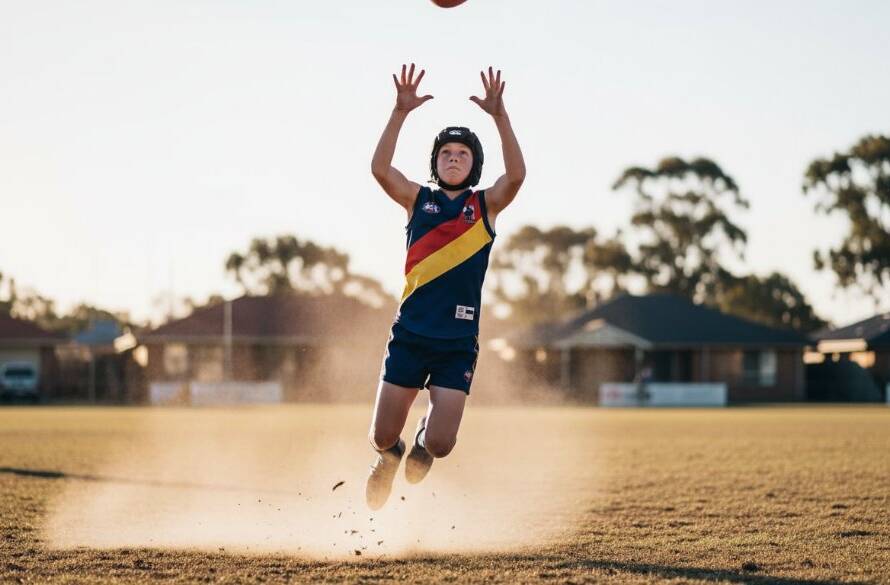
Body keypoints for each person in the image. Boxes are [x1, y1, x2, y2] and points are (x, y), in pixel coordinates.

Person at [365, 63, 526, 510]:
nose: (454, 158)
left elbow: (516, 176)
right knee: (379, 435)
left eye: (463, 154)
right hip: (410, 335)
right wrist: (399, 112)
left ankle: (420, 443)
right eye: (446, 154)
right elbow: (380, 168)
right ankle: (389, 456)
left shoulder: (485, 206)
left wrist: (500, 117)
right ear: (435, 163)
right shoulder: (418, 200)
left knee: (440, 443)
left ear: (474, 164)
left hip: (456, 342)